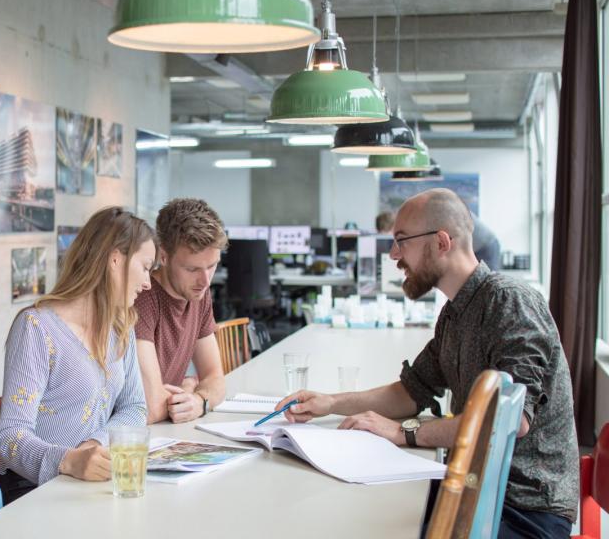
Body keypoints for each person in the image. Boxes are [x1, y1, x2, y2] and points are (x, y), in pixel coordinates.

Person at [276, 188, 578, 538]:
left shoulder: (510, 302)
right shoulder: (455, 312)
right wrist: (330, 403)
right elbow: (410, 391)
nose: (393, 254)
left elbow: (509, 421)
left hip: (525, 510)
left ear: (441, 242)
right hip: (476, 486)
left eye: (402, 241)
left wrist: (404, 432)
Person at [0, 207, 155, 504]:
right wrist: (68, 461)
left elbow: (135, 408)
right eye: (145, 267)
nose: (148, 282)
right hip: (29, 490)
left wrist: (94, 445)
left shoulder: (121, 326)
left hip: (87, 485)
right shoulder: (36, 327)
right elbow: (10, 437)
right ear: (116, 260)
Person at [135, 198, 227, 424]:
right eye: (192, 269)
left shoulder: (198, 293)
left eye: (212, 266)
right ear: (163, 256)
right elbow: (149, 406)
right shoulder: (141, 298)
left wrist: (199, 400)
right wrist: (188, 387)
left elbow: (215, 378)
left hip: (165, 430)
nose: (205, 281)